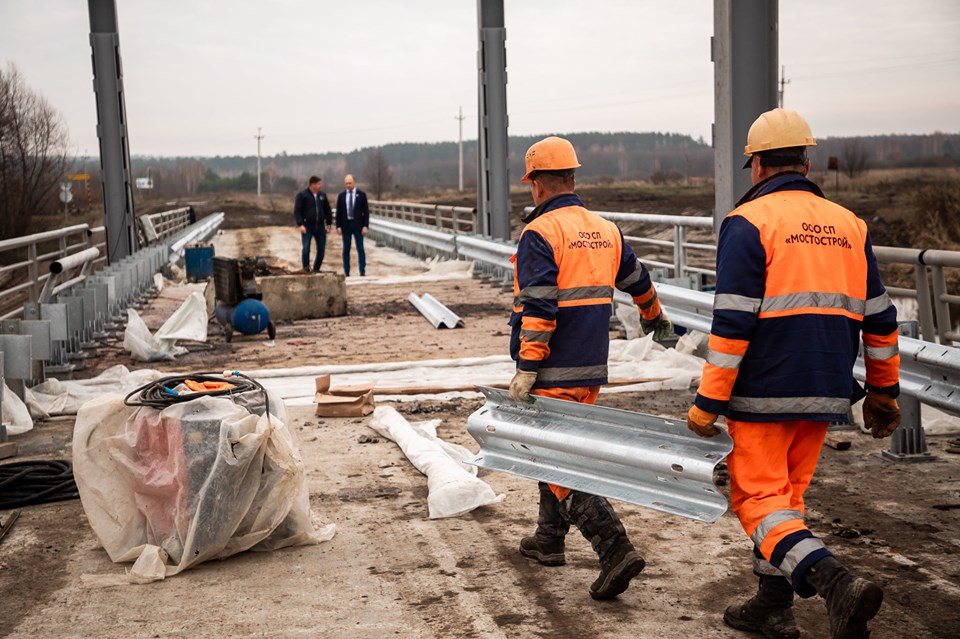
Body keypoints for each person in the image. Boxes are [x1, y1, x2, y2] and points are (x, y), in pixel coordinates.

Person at [686, 108, 901, 639]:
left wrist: (708, 403)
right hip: (826, 386)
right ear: (805, 161)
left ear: (756, 165)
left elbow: (732, 322)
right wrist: (883, 391)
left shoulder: (749, 223)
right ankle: (772, 605)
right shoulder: (851, 224)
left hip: (765, 388)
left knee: (757, 501)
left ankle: (835, 584)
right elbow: (881, 317)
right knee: (785, 503)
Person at [508, 136, 673, 601]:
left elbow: (540, 309)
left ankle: (614, 547)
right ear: (573, 178)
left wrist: (527, 366)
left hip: (553, 366)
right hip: (591, 367)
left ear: (538, 183)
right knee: (557, 448)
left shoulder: (540, 234)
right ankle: (548, 540)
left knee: (556, 458)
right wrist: (654, 317)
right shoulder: (606, 230)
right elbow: (638, 280)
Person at [294, 176, 333, 272]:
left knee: (321, 250)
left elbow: (327, 210)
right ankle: (306, 269)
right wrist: (300, 224)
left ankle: (316, 269)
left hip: (320, 226)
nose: (321, 185)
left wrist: (328, 224)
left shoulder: (322, 195)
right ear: (313, 184)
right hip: (307, 226)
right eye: (319, 183)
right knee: (306, 248)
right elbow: (297, 211)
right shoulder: (302, 195)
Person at [336, 174, 370, 277]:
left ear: (354, 182)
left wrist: (365, 226)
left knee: (360, 248)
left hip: (358, 225)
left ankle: (362, 270)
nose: (348, 185)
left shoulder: (361, 195)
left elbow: (366, 212)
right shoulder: (341, 196)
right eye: (346, 183)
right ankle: (346, 271)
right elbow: (339, 212)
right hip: (346, 225)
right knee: (346, 249)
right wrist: (338, 226)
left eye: (350, 183)